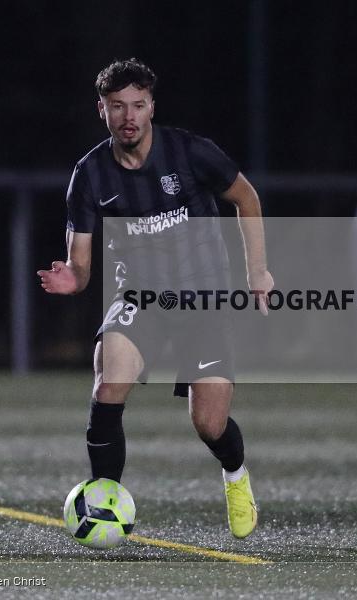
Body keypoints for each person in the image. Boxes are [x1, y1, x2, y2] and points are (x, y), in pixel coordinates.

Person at [37, 58, 274, 539]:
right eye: (117, 105)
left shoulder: (190, 153)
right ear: (101, 110)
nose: (129, 115)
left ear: (151, 107)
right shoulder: (89, 175)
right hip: (139, 298)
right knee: (109, 382)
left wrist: (258, 272)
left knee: (210, 423)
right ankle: (104, 498)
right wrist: (73, 278)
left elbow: (246, 198)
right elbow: (80, 264)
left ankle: (235, 474)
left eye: (138, 105)